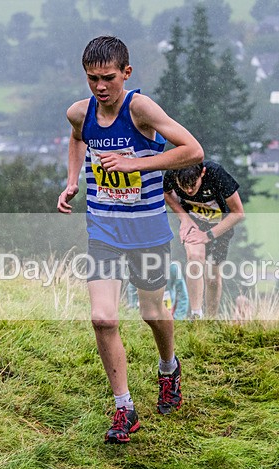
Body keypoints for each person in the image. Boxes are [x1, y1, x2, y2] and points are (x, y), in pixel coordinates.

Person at [57, 36, 203, 444]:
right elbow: (76, 137)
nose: (100, 88)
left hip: (147, 231)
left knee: (152, 311)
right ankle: (125, 410)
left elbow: (192, 150)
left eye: (108, 78)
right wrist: (72, 183)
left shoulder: (139, 108)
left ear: (126, 73)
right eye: (92, 79)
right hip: (103, 231)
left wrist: (136, 164)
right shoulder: (79, 113)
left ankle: (168, 368)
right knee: (103, 318)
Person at [163, 161, 245, 318]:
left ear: (202, 173)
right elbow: (167, 193)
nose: (188, 190)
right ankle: (196, 315)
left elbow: (238, 213)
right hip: (194, 221)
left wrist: (208, 235)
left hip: (221, 224)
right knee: (194, 257)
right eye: (183, 186)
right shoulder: (172, 174)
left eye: (193, 185)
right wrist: (184, 218)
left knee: (212, 277)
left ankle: (211, 318)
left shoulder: (216, 174)